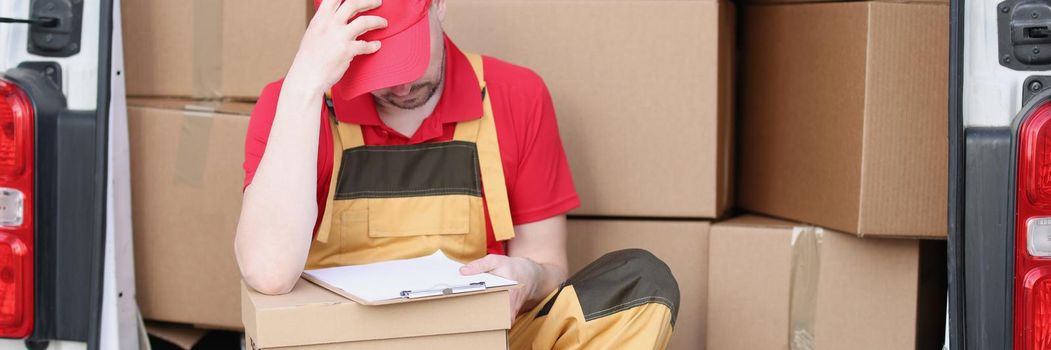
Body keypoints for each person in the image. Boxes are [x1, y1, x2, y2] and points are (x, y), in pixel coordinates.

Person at [234, 0, 680, 348]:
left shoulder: (517, 96)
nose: (401, 86)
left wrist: (527, 274)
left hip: (483, 340)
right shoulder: (294, 104)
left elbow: (549, 266)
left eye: (407, 58)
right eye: (378, 67)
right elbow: (268, 274)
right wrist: (305, 84)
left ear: (439, 5)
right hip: (342, 343)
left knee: (643, 283)